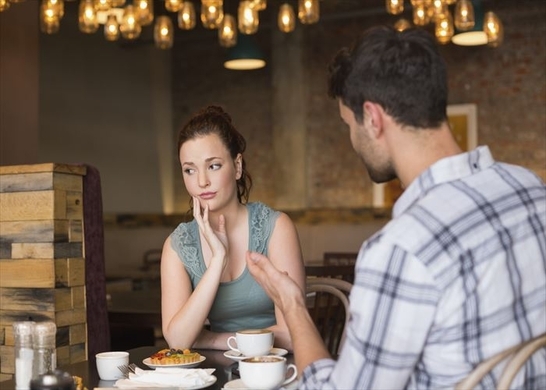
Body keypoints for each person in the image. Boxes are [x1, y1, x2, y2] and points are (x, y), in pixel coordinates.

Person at [246, 25, 546, 389]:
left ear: (372, 119)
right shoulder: (529, 188)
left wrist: (292, 305)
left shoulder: (400, 249)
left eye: (349, 125)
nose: (353, 141)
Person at [161, 105, 305, 351]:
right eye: (189, 170)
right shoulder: (178, 245)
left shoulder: (276, 228)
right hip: (214, 378)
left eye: (213, 165)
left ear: (237, 166)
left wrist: (209, 340)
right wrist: (218, 260)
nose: (202, 181)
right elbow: (178, 340)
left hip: (275, 370)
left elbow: (295, 333)